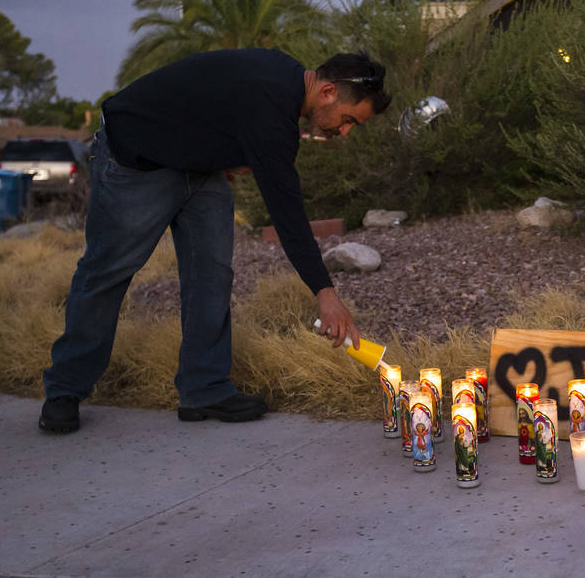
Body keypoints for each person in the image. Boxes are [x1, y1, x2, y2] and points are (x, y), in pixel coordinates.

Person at [38, 48, 390, 433]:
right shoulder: (272, 104)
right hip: (135, 162)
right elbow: (287, 213)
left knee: (212, 272)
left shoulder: (284, 82)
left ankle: (203, 388)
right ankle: (65, 390)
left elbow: (213, 107)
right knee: (107, 271)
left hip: (200, 171)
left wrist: (222, 151)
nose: (343, 132)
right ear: (326, 92)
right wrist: (325, 292)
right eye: (348, 120)